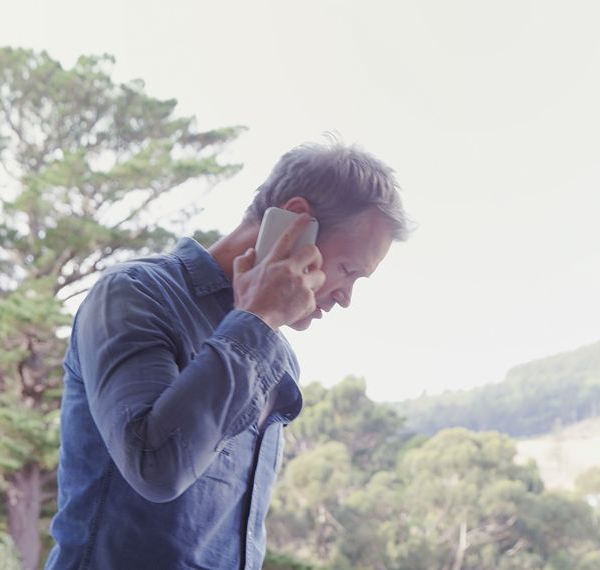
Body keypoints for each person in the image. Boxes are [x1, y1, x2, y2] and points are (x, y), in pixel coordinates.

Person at [45, 140, 411, 570]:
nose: (347, 297)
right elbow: (155, 467)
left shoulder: (273, 349)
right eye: (348, 270)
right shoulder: (135, 293)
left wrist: (258, 324)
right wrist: (257, 319)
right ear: (296, 221)